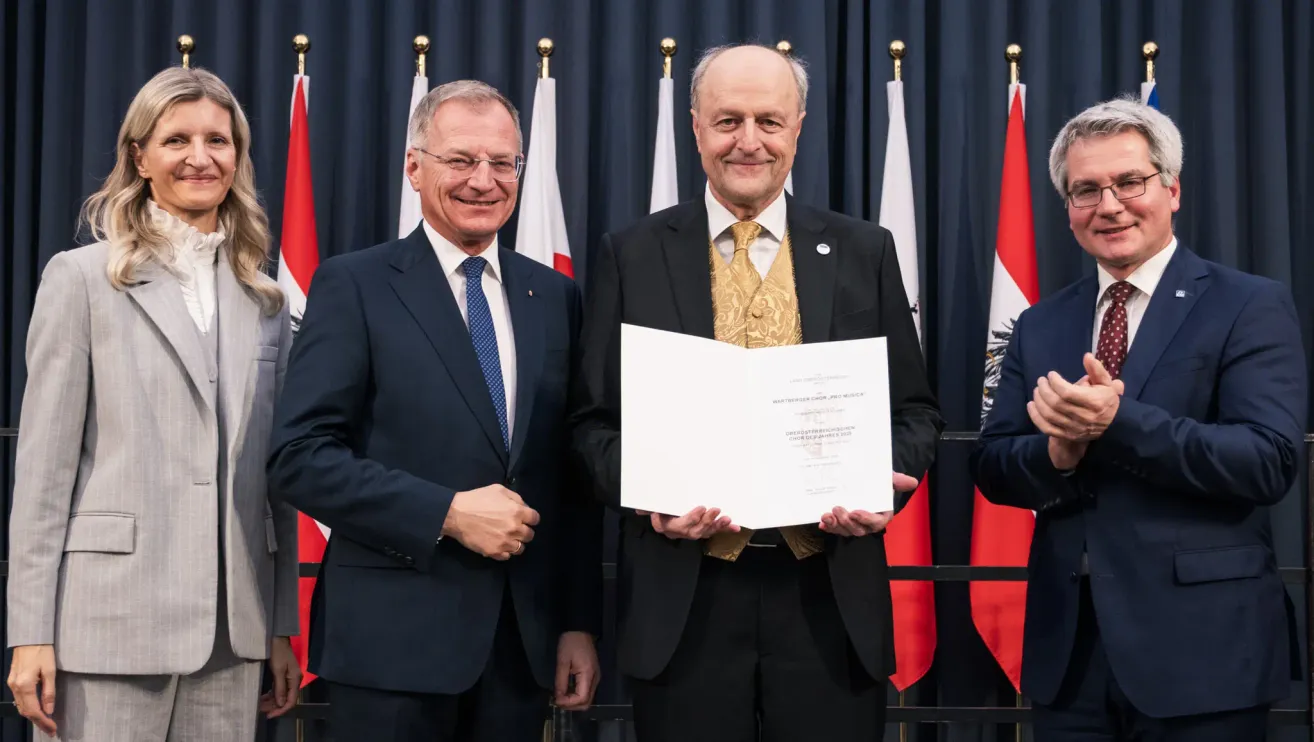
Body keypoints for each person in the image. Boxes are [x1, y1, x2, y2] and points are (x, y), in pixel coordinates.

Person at [570, 44, 942, 741]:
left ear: (798, 126)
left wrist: (881, 484)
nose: (749, 141)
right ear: (695, 126)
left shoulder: (866, 250)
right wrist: (650, 493)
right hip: (685, 599)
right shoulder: (633, 253)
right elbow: (592, 424)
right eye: (728, 120)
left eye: (769, 121)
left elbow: (915, 412)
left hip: (829, 597)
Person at [266, 80, 602, 741]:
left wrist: (576, 622)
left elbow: (571, 479)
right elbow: (298, 458)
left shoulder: (554, 295)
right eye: (460, 160)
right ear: (414, 167)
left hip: (519, 650)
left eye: (502, 162)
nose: (484, 180)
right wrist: (446, 513)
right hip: (391, 650)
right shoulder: (354, 285)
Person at [970, 97, 1306, 741]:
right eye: (1086, 190)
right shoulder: (1041, 323)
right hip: (1070, 659)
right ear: (1068, 210)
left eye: (1130, 182)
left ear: (1171, 189)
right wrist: (1057, 456)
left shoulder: (1249, 304)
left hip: (1204, 655)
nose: (1110, 204)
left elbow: (1267, 461)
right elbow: (993, 465)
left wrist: (1117, 423)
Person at [6, 66, 301, 741]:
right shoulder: (79, 280)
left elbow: (275, 485)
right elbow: (44, 476)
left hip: (232, 632)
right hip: (104, 629)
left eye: (218, 141)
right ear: (138, 156)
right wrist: (29, 633)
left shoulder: (267, 302)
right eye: (177, 140)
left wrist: (280, 624)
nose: (201, 158)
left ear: (238, 155)